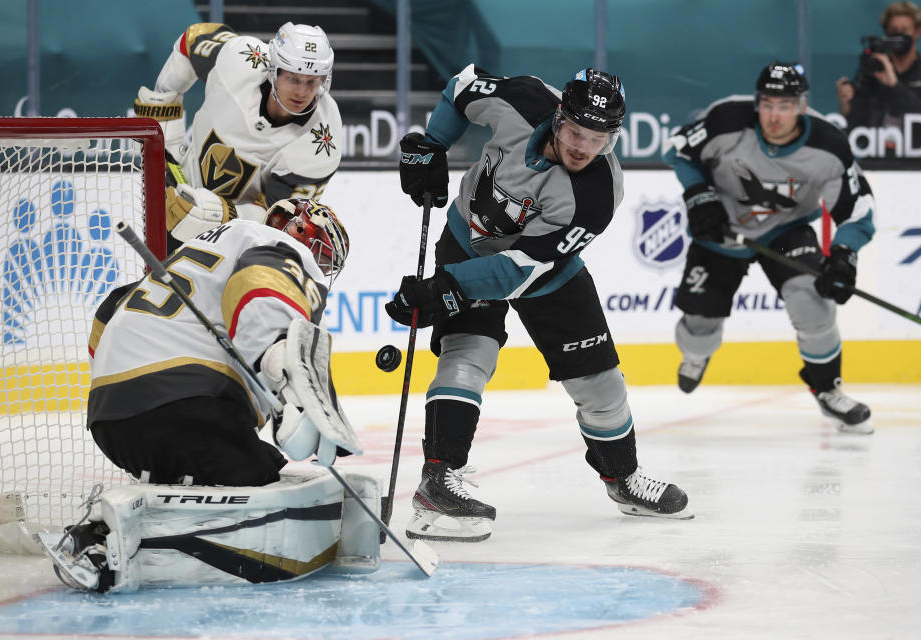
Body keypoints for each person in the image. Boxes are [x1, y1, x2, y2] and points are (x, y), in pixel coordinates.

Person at [385, 66, 693, 543]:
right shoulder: (523, 100)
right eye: (574, 131)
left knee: (600, 384)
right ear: (558, 117)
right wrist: (433, 143)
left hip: (546, 274)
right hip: (468, 241)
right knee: (468, 355)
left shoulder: (596, 195)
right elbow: (462, 87)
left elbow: (517, 270)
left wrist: (439, 289)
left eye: (597, 138)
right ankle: (437, 483)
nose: (582, 146)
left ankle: (623, 478)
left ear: (612, 138)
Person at [37, 199, 377, 592]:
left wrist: (125, 390)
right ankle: (102, 541)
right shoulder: (282, 248)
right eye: (325, 253)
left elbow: (110, 311)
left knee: (212, 461)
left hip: (111, 419)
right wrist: (285, 374)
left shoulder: (198, 249)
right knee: (257, 473)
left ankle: (149, 503)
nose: (322, 266)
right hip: (184, 404)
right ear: (303, 232)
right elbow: (260, 287)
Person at [665, 62, 877, 435]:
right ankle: (697, 355)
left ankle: (827, 387)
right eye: (767, 104)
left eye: (785, 105)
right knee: (700, 324)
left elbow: (857, 209)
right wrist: (699, 194)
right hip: (722, 228)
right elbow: (678, 151)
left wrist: (844, 255)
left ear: (802, 105)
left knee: (813, 302)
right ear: (757, 101)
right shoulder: (727, 118)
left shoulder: (828, 145)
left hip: (786, 229)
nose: (774, 115)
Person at [133, 21, 342, 250]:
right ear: (274, 70)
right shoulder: (240, 60)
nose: (302, 92)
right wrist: (163, 111)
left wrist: (217, 215)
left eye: (312, 81)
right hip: (174, 194)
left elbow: (282, 222)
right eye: (293, 78)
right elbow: (194, 38)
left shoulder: (321, 140)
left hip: (239, 243)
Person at [836, 1, 921, 142]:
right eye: (894, 31)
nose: (898, 36)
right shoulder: (874, 68)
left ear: (917, 32)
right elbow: (856, 129)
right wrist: (846, 108)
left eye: (904, 31)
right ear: (886, 32)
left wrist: (894, 86)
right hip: (876, 155)